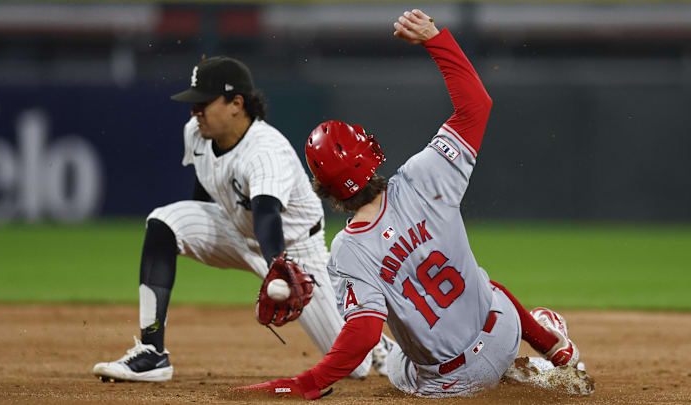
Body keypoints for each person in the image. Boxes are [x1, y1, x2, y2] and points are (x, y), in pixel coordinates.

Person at [234, 9, 588, 398]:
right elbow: (476, 105)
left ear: (326, 190)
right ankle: (553, 347)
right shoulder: (424, 175)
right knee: (486, 287)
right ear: (369, 156)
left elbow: (364, 335)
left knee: (400, 362)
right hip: (503, 332)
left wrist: (308, 383)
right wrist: (435, 39)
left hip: (455, 384)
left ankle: (519, 373)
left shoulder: (348, 250)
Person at [92, 55, 390, 382]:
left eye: (204, 102)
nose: (195, 111)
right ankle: (152, 353)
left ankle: (379, 345)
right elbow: (207, 188)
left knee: (354, 367)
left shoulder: (265, 150)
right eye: (194, 103)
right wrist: (196, 236)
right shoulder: (196, 132)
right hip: (234, 229)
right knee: (163, 223)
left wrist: (277, 266)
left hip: (294, 251)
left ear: (236, 103)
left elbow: (266, 216)